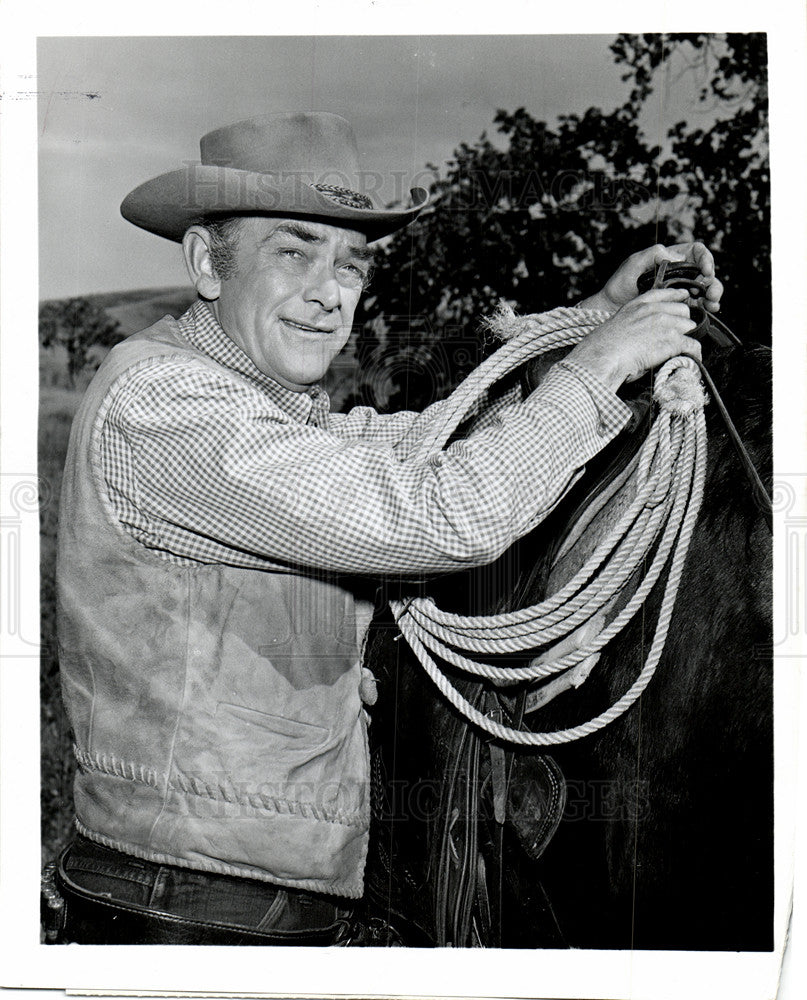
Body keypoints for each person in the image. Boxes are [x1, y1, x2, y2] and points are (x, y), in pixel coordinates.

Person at [50, 111, 722, 945]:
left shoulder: (255, 409)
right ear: (205, 264)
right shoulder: (169, 404)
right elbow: (442, 511)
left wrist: (588, 322)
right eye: (293, 253)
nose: (329, 293)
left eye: (350, 264)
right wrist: (602, 366)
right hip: (188, 907)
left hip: (237, 892)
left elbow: (428, 444)